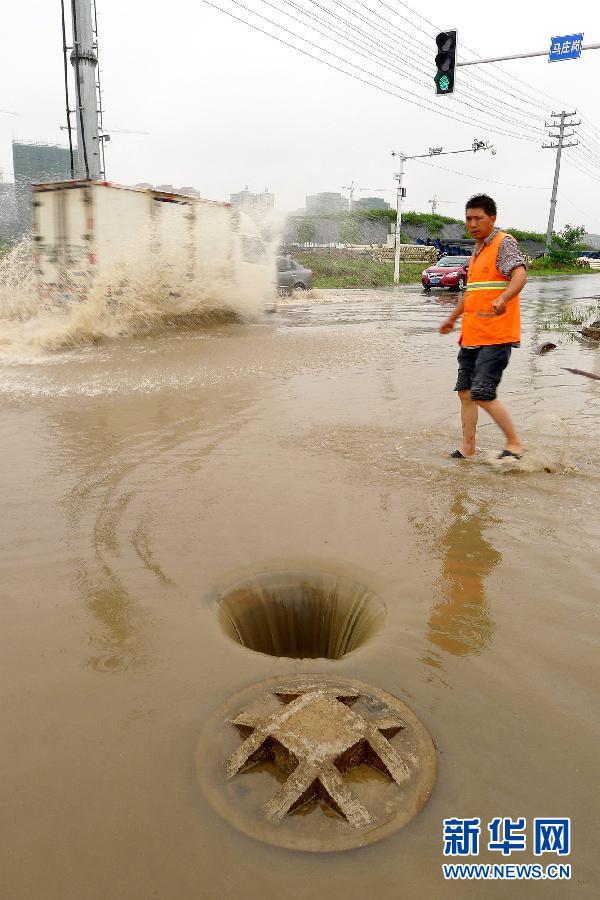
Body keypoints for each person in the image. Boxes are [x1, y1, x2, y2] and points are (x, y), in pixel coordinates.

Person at [439, 194, 527, 459]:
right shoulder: (476, 251)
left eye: (478, 218)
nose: (473, 223)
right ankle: (468, 448)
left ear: (493, 218)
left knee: (482, 393)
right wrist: (452, 318)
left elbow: (520, 275)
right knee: (465, 393)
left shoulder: (503, 243)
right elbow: (472, 293)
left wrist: (503, 298)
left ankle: (514, 444)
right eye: (468, 218)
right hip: (472, 334)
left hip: (497, 334)